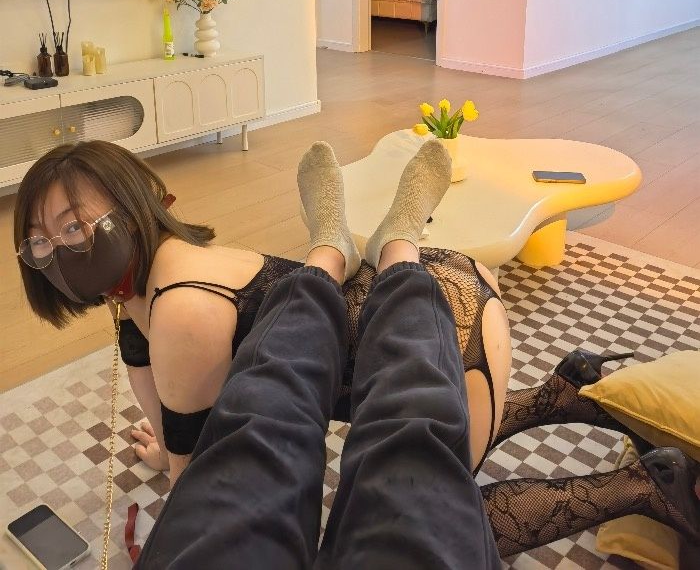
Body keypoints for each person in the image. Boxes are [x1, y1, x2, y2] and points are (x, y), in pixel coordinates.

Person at [14, 139, 700, 561]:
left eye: (75, 227)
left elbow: (201, 475)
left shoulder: (180, 307)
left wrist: (175, 480)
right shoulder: (144, 292)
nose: (56, 252)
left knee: (420, 502)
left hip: (450, 325)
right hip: (421, 316)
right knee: (405, 448)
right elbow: (169, 412)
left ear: (136, 206)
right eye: (39, 241)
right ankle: (554, 391)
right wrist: (167, 443)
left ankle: (642, 486)